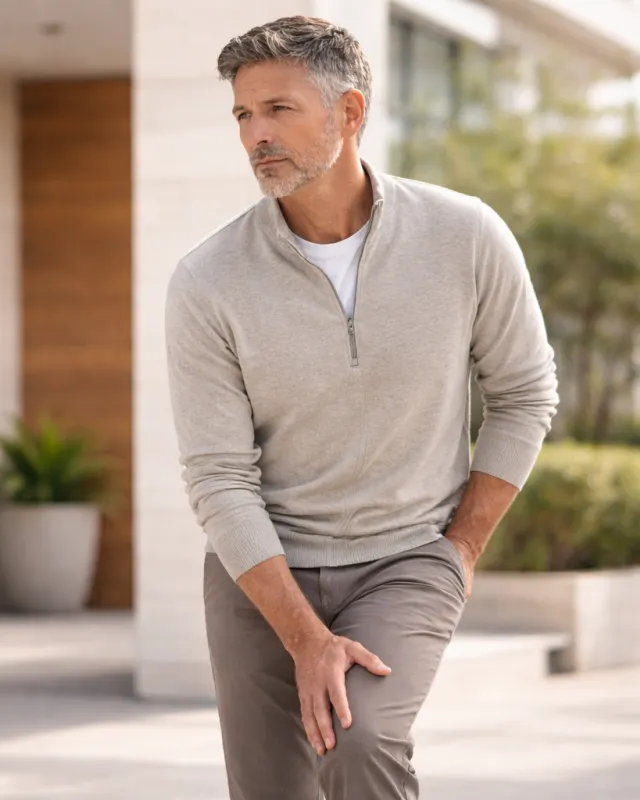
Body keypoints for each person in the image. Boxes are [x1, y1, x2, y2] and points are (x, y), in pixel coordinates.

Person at [164, 15, 559, 800]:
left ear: (350, 114)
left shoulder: (465, 236)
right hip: (262, 572)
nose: (255, 136)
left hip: (406, 557)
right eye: (243, 115)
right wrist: (303, 635)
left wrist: (461, 549)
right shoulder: (207, 280)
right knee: (273, 789)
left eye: (278, 109)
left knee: (361, 740)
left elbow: (524, 395)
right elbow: (218, 477)